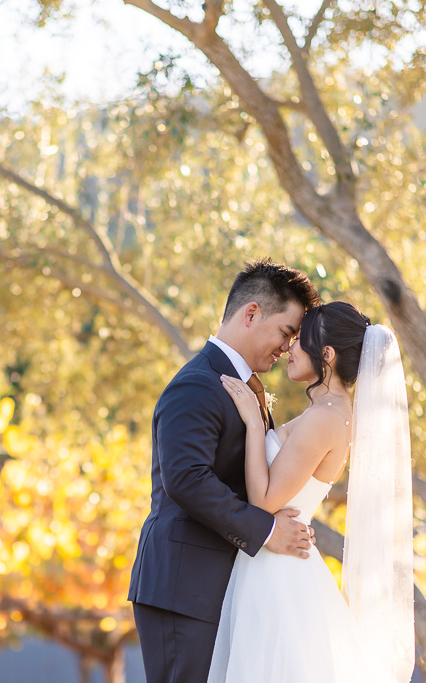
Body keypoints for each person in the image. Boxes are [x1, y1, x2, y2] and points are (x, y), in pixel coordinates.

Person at [128, 258, 321, 683]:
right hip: (183, 588)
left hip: (222, 587)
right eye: (286, 332)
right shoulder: (196, 384)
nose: (289, 347)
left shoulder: (244, 386)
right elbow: (187, 480)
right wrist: (268, 530)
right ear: (251, 313)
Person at [209, 301, 416, 682]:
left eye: (299, 340)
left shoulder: (327, 418)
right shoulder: (327, 413)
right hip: (276, 560)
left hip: (278, 572)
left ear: (327, 354)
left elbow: (264, 501)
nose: (288, 347)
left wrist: (255, 427)